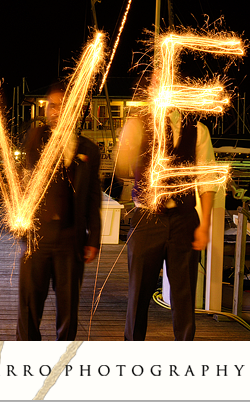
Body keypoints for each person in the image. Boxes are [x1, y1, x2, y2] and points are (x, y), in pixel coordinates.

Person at [116, 73, 217, 341]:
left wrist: (205, 224)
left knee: (184, 296)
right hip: (145, 219)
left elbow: (207, 181)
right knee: (138, 294)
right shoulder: (137, 125)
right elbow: (124, 166)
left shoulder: (198, 130)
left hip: (184, 219)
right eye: (156, 84)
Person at [16, 82, 102, 341]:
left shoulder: (89, 150)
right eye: (52, 106)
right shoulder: (35, 140)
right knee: (29, 306)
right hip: (37, 237)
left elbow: (92, 196)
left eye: (63, 106)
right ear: (46, 110)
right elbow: (23, 180)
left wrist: (93, 238)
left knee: (68, 309)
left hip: (71, 238)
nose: (57, 111)